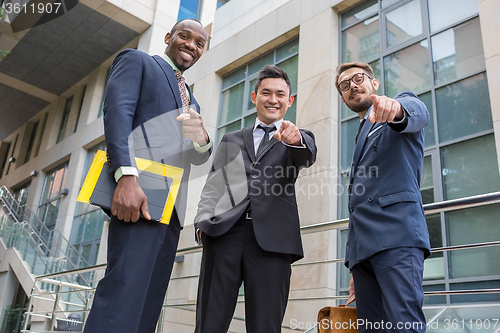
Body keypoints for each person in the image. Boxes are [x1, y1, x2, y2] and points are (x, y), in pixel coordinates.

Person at [83, 19, 212, 333]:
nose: (191, 45)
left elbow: (198, 156)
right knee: (124, 290)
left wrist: (203, 138)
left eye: (199, 43)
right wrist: (126, 177)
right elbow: (118, 113)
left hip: (170, 210)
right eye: (185, 36)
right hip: (139, 194)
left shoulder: (191, 100)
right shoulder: (138, 61)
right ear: (168, 37)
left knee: (149, 300)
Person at [193, 65, 317, 333]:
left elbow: (307, 155)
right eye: (266, 92)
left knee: (265, 326)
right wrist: (201, 220)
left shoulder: (297, 137)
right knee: (209, 323)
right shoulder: (232, 139)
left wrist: (295, 139)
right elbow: (214, 184)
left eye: (280, 94)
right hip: (224, 235)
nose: (273, 99)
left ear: (289, 100)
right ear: (254, 97)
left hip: (272, 242)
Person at [336, 62, 431, 332]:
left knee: (404, 325)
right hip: (364, 255)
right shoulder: (360, 133)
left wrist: (396, 108)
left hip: (396, 239)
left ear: (374, 84)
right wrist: (354, 262)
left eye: (358, 78)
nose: (353, 85)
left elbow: (417, 112)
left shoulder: (397, 106)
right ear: (343, 98)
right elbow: (356, 204)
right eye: (345, 85)